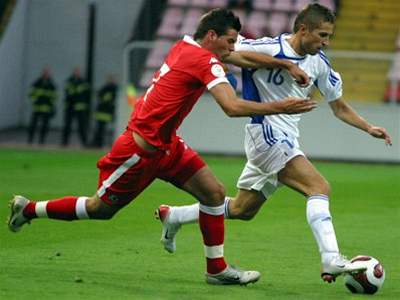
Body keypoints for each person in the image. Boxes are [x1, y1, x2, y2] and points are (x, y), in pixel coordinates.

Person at [8, 9, 316, 285]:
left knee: (214, 193)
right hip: (138, 152)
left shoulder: (186, 45)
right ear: (212, 36)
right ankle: (30, 209)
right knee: (99, 209)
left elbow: (241, 58)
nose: (233, 48)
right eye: (231, 41)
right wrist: (281, 107)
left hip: (166, 146)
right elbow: (232, 107)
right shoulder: (205, 61)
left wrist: (284, 65)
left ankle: (217, 269)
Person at [155, 3, 393, 284]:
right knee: (318, 187)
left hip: (287, 138)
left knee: (244, 210)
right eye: (322, 35)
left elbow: (339, 107)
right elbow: (227, 51)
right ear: (303, 29)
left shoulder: (320, 63)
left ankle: (174, 216)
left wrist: (368, 127)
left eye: (329, 36)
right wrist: (283, 64)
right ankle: (330, 257)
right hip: (265, 133)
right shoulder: (268, 47)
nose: (326, 42)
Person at [61, 67, 90, 146]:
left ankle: (85, 143)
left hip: (80, 108)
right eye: (76, 72)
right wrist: (77, 92)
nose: (77, 73)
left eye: (78, 72)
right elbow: (68, 92)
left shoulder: (83, 82)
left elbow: (87, 94)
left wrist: (75, 92)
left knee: (82, 127)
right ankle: (64, 142)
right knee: (67, 126)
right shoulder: (69, 81)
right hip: (70, 107)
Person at [27, 68, 57, 144]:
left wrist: (51, 106)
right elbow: (31, 94)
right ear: (42, 74)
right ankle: (30, 140)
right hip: (37, 108)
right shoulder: (37, 83)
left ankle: (42, 141)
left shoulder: (51, 84)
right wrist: (36, 100)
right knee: (33, 126)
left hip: (46, 109)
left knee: (45, 127)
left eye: (47, 73)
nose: (46, 74)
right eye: (45, 73)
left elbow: (54, 97)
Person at [91, 75, 118, 148]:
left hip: (105, 112)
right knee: (101, 129)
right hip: (106, 112)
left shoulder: (107, 89)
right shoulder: (112, 89)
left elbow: (100, 97)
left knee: (101, 129)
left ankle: (98, 143)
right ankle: (99, 143)